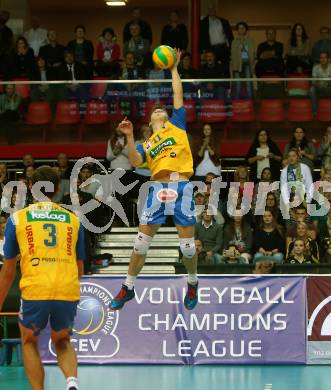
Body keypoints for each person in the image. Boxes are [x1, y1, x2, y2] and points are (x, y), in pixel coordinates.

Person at [110, 49, 199, 311]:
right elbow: (135, 163)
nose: (160, 109)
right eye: (155, 110)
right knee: (140, 243)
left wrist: (173, 68)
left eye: (162, 109)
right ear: (149, 121)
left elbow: (177, 93)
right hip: (157, 188)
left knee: (188, 248)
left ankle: (192, 282)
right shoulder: (147, 144)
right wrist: (128, 136)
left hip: (181, 186)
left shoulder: (177, 125)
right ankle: (128, 287)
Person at [0, 166, 85, 390]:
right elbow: (80, 267)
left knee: (29, 341)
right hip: (67, 288)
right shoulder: (73, 220)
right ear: (57, 189)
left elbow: (8, 271)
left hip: (36, 287)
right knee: (63, 341)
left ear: (30, 187)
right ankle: (71, 382)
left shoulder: (18, 219)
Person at [200, 4, 233, 77]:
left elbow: (230, 35)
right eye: (210, 9)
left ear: (215, 11)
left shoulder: (223, 21)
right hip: (211, 49)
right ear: (208, 11)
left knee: (225, 67)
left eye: (213, 9)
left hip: (223, 48)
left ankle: (226, 86)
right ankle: (212, 85)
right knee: (212, 67)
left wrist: (230, 47)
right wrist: (203, 51)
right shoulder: (203, 22)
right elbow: (201, 37)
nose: (211, 11)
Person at [231, 21, 256, 99]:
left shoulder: (251, 41)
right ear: (237, 30)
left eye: (243, 28)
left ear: (246, 30)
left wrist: (245, 49)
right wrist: (239, 49)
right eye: (239, 28)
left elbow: (253, 53)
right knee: (238, 83)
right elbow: (233, 54)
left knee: (248, 83)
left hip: (248, 63)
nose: (241, 29)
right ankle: (236, 101)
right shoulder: (234, 41)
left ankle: (250, 101)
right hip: (237, 64)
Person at [0, 10, 14, 77]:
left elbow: (11, 43)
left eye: (7, 17)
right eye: (3, 16)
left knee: (6, 75)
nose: (5, 18)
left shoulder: (8, 30)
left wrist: (6, 52)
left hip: (5, 57)